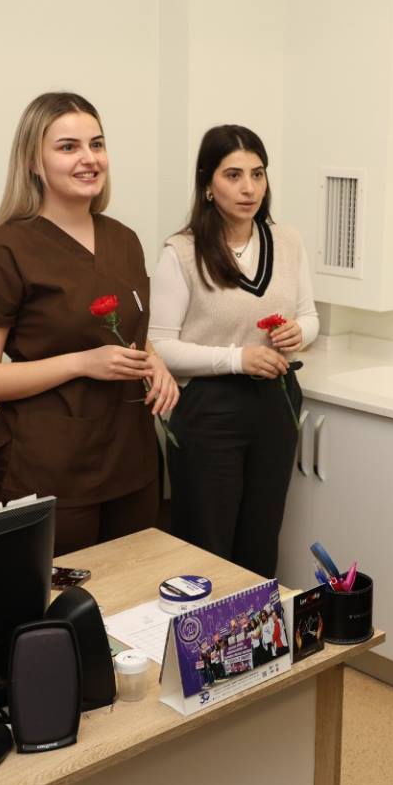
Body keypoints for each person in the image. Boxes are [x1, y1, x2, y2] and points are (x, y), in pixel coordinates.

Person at [0, 92, 177, 556]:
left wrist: (153, 361)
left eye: (97, 144)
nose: (89, 159)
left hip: (132, 460)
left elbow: (127, 335)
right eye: (68, 147)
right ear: (33, 162)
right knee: (52, 600)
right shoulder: (5, 250)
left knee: (133, 592)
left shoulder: (124, 240)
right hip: (49, 468)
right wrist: (81, 363)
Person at [149, 125, 317, 578]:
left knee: (260, 542)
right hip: (209, 411)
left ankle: (254, 628)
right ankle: (201, 627)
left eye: (258, 174)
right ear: (208, 184)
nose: (249, 188)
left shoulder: (288, 242)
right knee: (206, 547)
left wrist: (298, 332)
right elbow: (160, 347)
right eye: (233, 175)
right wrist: (237, 358)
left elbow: (310, 316)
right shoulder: (182, 252)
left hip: (276, 404)